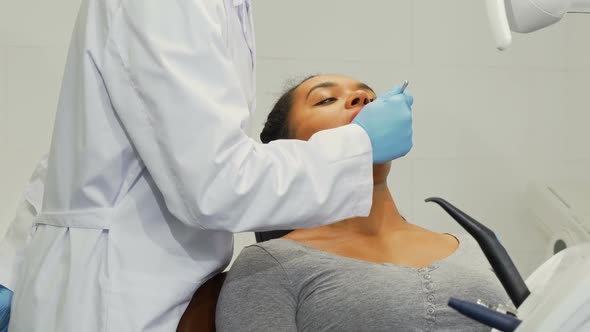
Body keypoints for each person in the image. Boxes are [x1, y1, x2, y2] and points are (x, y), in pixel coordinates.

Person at [0, 1, 415, 331]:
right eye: (325, 99)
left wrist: (12, 260)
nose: (360, 102)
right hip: (111, 297)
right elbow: (214, 184)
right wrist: (358, 146)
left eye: (367, 95)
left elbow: (89, 144)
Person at [216, 74, 511, 332]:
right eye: (326, 99)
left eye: (369, 95)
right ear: (288, 151)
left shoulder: (476, 247)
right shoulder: (268, 266)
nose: (364, 97)